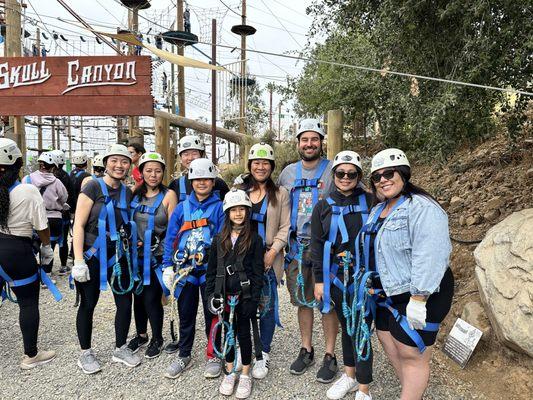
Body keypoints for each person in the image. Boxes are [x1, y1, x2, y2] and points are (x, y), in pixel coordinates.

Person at [361, 148, 454, 400]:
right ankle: (412, 392)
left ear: (403, 174)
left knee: (411, 352)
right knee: (389, 341)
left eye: (389, 173)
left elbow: (431, 252)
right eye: (377, 177)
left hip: (419, 291)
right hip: (386, 292)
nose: (383, 180)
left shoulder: (422, 207)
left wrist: (419, 297)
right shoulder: (377, 210)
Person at [277, 118, 338, 382]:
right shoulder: (287, 173)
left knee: (327, 302)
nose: (309, 144)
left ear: (322, 142)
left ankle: (330, 354)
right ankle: (306, 348)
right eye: (305, 139)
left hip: (325, 248)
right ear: (298, 143)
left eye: (314, 139)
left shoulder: (334, 170)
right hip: (297, 248)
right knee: (303, 301)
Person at [71, 144, 141, 374]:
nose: (119, 166)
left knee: (124, 302)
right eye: (115, 161)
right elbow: (78, 225)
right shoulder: (92, 187)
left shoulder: (126, 192)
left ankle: (120, 348)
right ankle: (85, 353)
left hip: (118, 254)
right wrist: (79, 260)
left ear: (129, 166)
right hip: (92, 253)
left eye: (124, 162)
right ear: (106, 162)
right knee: (88, 303)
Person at [311, 151, 374, 400]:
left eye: (352, 174)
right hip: (337, 277)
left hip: (364, 277)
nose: (346, 178)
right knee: (348, 327)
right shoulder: (323, 206)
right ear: (334, 174)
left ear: (358, 176)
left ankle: (364, 388)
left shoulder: (371, 201)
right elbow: (317, 245)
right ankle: (349, 375)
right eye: (340, 173)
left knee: (362, 329)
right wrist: (319, 280)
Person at [162, 158, 225, 379]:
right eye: (197, 179)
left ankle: (214, 355)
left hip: (210, 270)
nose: (201, 183)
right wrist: (167, 266)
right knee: (185, 314)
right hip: (185, 271)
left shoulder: (220, 208)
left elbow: (225, 239)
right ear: (191, 181)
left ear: (213, 181)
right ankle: (184, 354)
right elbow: (170, 238)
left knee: (213, 314)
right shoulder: (181, 208)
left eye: (206, 179)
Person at [235, 143, 290, 380]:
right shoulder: (239, 191)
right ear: (249, 166)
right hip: (243, 257)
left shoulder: (280, 194)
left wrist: (273, 252)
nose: (260, 167)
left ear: (271, 167)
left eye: (265, 163)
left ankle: (263, 351)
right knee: (242, 304)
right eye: (256, 163)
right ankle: (243, 347)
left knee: (266, 306)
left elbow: (286, 227)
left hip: (268, 256)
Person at [0, 138, 56, 369]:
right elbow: (42, 226)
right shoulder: (26, 190)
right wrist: (46, 247)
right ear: (18, 162)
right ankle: (30, 355)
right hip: (17, 250)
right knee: (28, 302)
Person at [206, 189, 264, 399]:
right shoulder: (219, 240)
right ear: (227, 213)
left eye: (242, 209)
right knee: (227, 335)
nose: (238, 214)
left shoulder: (255, 240)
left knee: (243, 334)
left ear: (247, 212)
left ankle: (246, 373)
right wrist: (210, 296)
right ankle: (230, 371)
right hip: (224, 295)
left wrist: (253, 299)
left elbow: (258, 273)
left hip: (245, 295)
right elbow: (211, 271)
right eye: (234, 210)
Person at [127, 152, 177, 359]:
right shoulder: (134, 195)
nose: (153, 175)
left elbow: (173, 228)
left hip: (155, 256)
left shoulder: (168, 196)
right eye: (148, 170)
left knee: (151, 298)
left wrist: (168, 260)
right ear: (141, 172)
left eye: (157, 171)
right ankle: (141, 334)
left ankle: (158, 337)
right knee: (136, 298)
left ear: (163, 173)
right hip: (134, 255)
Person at [23, 152, 68, 280]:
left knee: (32, 246)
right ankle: (45, 277)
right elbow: (64, 197)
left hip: (32, 218)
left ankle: (29, 274)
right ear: (53, 167)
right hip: (53, 218)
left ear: (40, 165)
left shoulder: (27, 179)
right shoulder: (57, 182)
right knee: (49, 248)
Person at [168, 135, 229, 204]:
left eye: (194, 153)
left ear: (202, 155)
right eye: (186, 154)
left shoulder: (218, 184)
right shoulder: (175, 185)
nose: (190, 158)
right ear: (181, 158)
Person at [50, 150, 74, 276]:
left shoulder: (47, 176)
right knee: (63, 240)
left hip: (47, 214)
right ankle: (63, 266)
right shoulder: (65, 176)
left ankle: (47, 270)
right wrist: (72, 212)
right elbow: (70, 196)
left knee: (48, 242)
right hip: (63, 214)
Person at [69, 151, 91, 217]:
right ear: (85, 162)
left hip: (71, 206)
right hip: (82, 206)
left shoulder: (70, 173)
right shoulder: (87, 176)